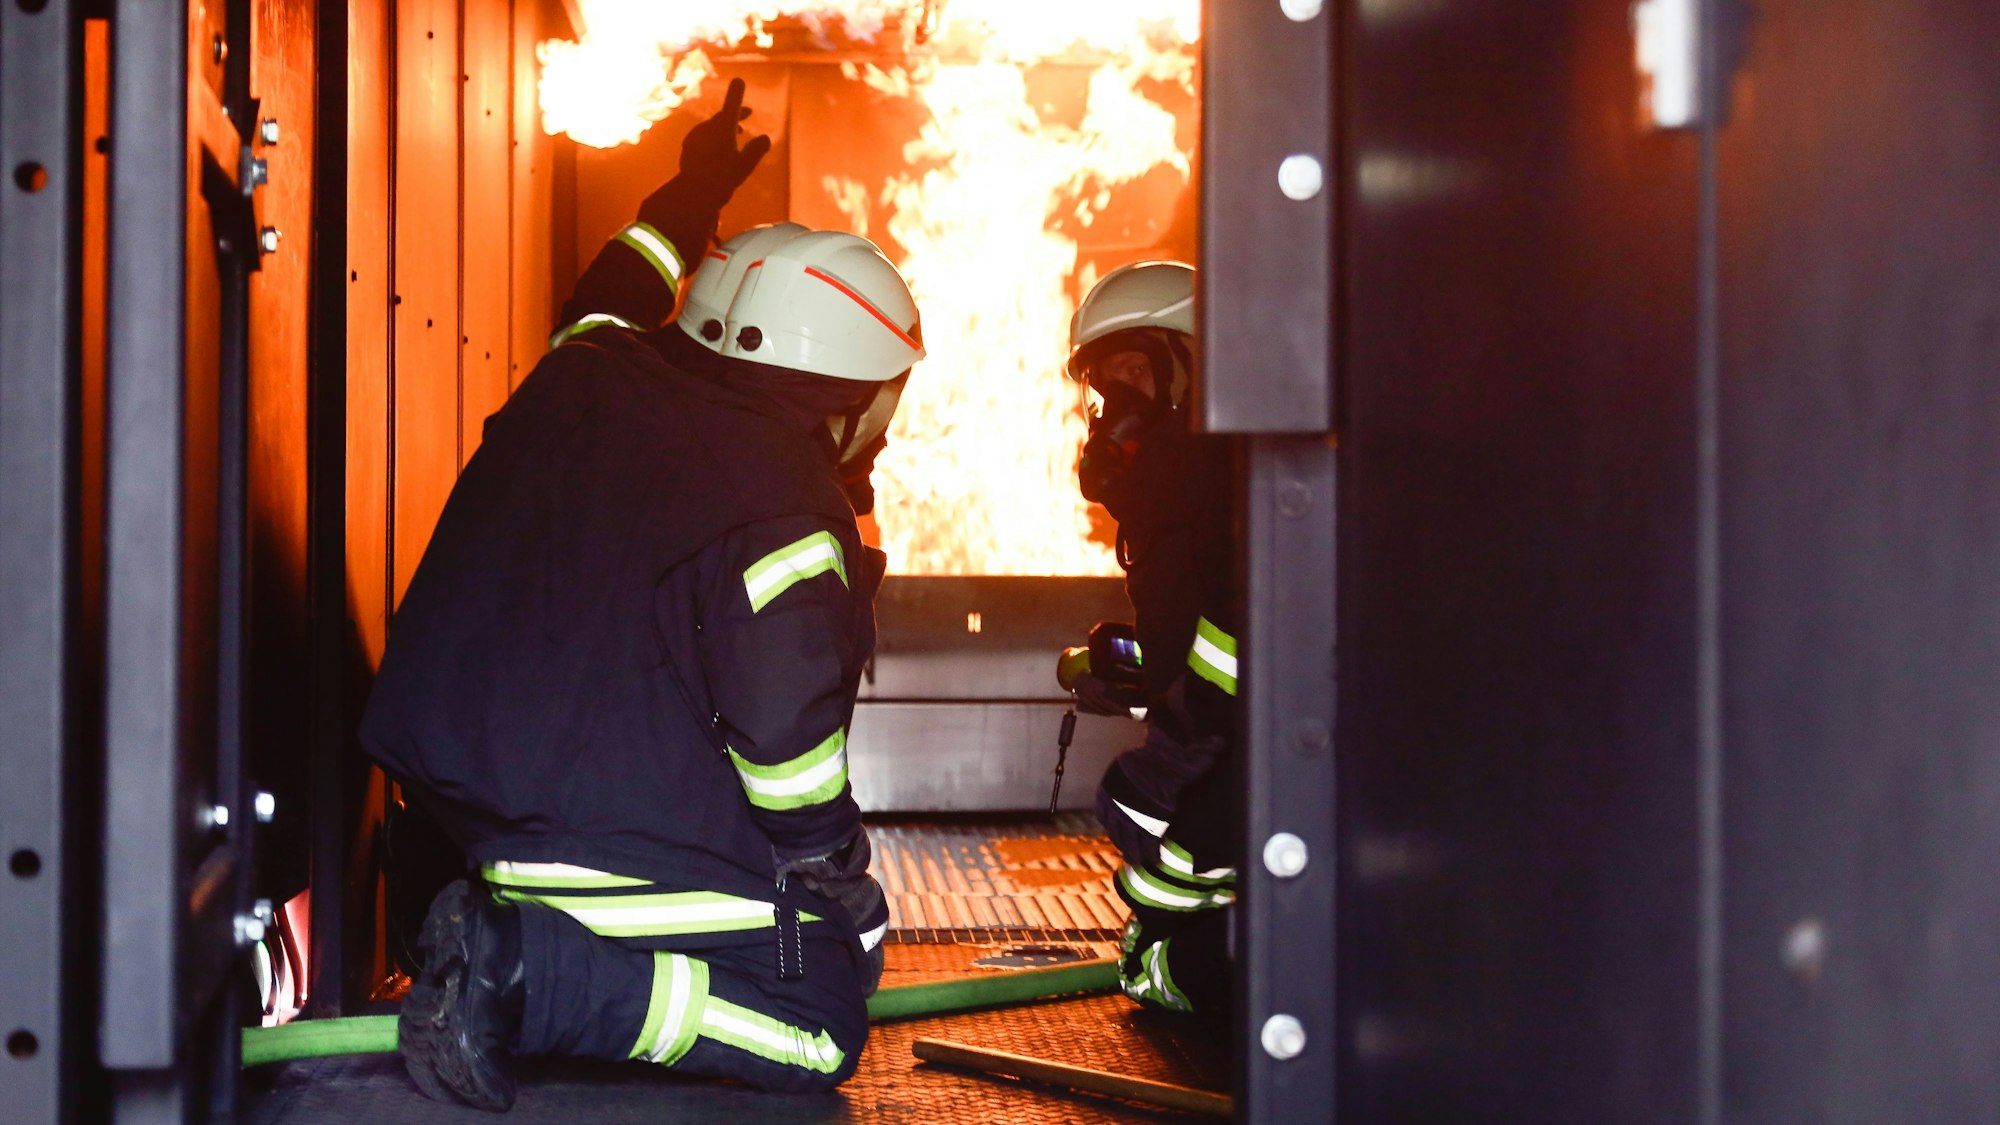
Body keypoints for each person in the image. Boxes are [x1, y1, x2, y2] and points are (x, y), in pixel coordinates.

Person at [358, 79, 923, 1110]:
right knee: (817, 1021)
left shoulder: (582, 372)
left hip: (453, 818)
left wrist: (690, 192)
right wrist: (834, 874)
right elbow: (782, 736)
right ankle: (528, 972)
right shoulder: (781, 499)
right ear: (851, 390)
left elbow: (612, 291)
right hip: (599, 847)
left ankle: (504, 945)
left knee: (773, 954)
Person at [1065, 261, 1240, 1017]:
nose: (1115, 406)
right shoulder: (1171, 491)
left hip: (1255, 769)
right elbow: (1207, 628)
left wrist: (1172, 753)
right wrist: (1137, 662)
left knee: (1163, 946)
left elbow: (1256, 634)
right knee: (1156, 930)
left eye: (1136, 368)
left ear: (1193, 363)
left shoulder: (1222, 477)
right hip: (1225, 752)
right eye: (1106, 387)